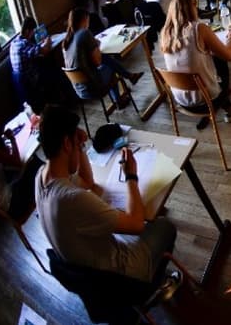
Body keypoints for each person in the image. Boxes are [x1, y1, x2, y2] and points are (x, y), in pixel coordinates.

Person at [34, 104, 177, 283]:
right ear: (66, 143)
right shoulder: (72, 199)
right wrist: (131, 176)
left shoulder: (42, 176)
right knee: (165, 226)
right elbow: (136, 224)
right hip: (116, 277)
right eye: (75, 140)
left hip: (85, 270)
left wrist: (79, 147)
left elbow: (87, 182)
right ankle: (156, 280)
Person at [160, 0, 231, 129]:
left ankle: (227, 107)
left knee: (210, 61)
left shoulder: (166, 33)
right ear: (192, 6)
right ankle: (229, 109)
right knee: (220, 60)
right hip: (206, 100)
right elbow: (228, 55)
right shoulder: (199, 28)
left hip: (181, 100)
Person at [62, 8, 143, 109]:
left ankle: (124, 90)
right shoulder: (84, 33)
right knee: (109, 63)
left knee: (107, 61)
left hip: (79, 90)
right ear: (85, 19)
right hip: (93, 87)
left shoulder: (67, 41)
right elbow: (97, 61)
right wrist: (96, 46)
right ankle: (128, 80)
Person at [10, 17, 52, 109]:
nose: (33, 33)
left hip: (18, 81)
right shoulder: (24, 43)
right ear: (28, 31)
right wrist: (48, 41)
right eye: (33, 31)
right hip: (29, 80)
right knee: (50, 69)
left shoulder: (14, 42)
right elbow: (45, 51)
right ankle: (53, 103)